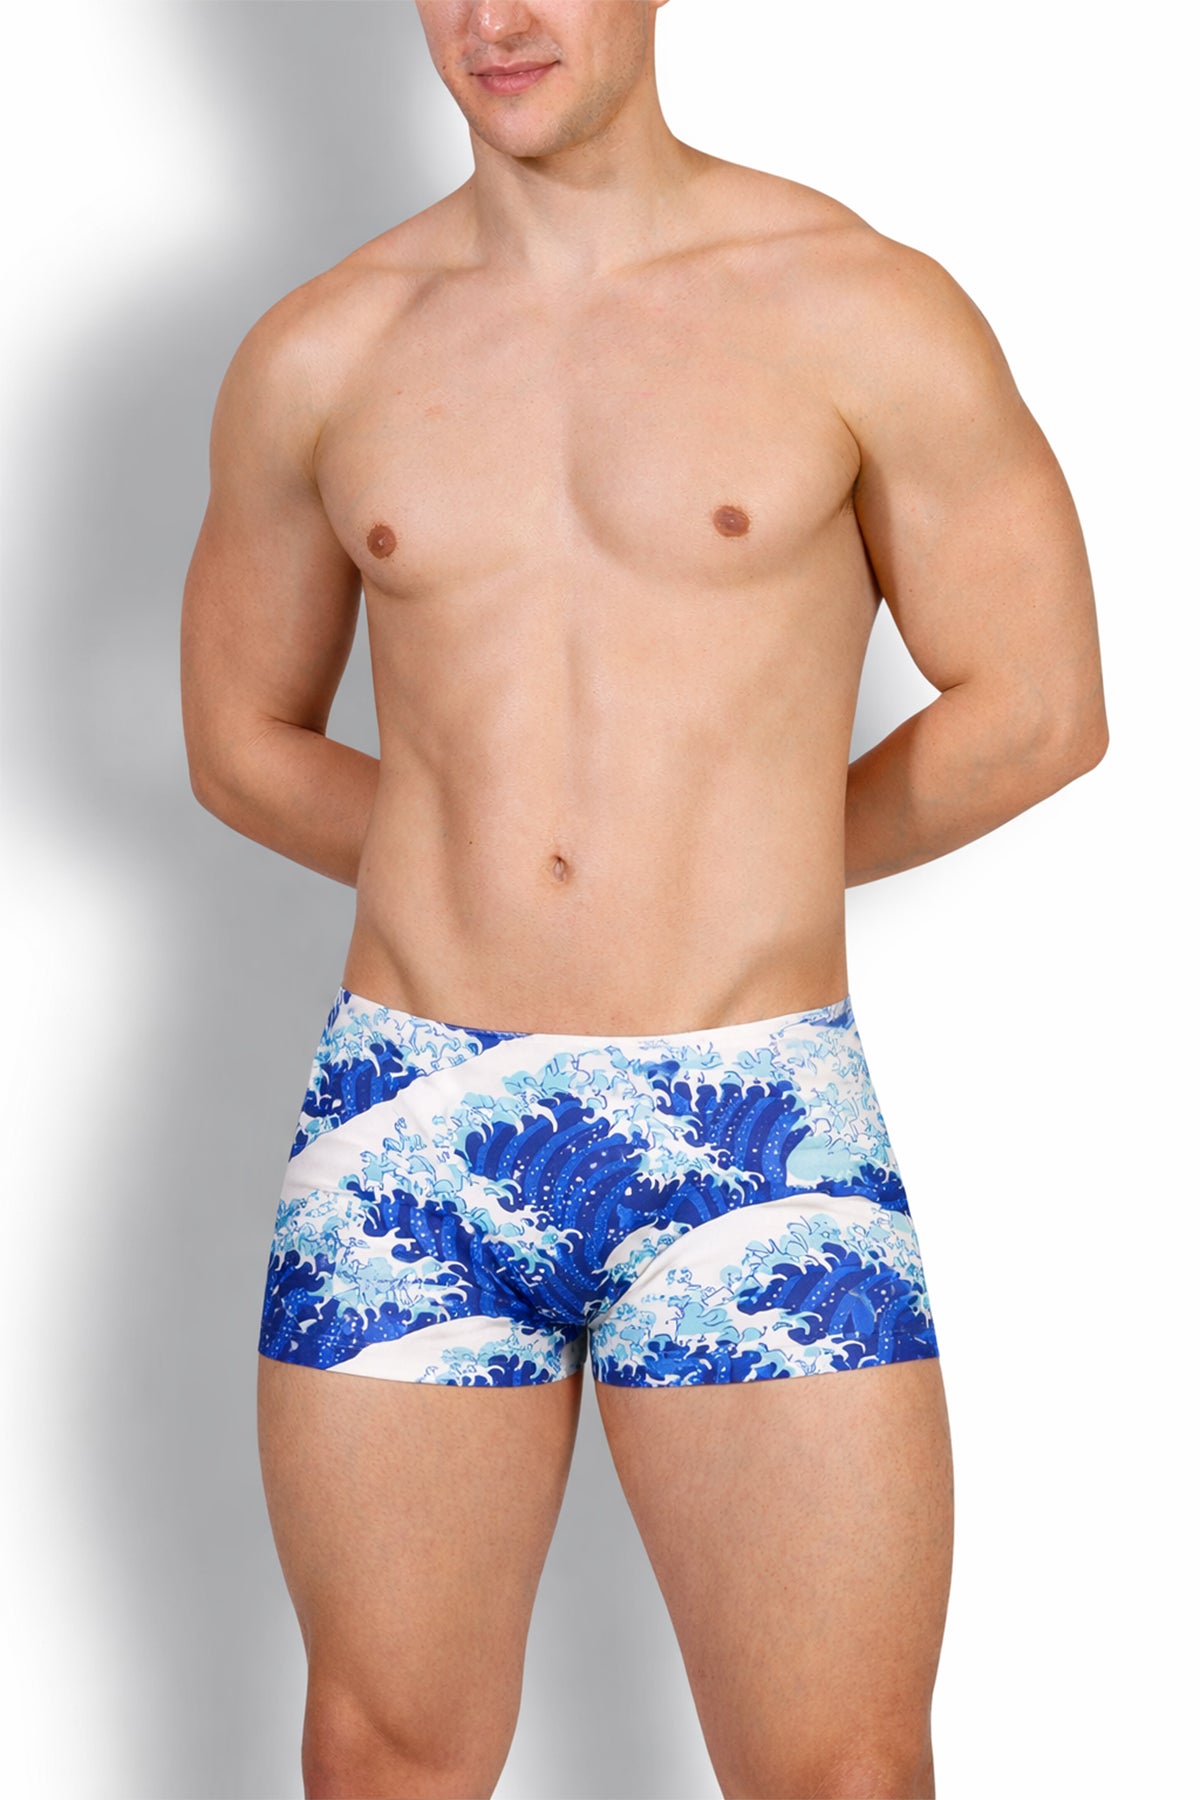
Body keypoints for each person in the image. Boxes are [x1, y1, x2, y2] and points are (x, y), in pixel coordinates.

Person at [180, 2, 1108, 1795]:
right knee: (385, 1756)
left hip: (753, 1118)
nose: (495, 20)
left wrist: (732, 853)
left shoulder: (858, 305)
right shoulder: (324, 347)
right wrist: (468, 848)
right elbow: (239, 738)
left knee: (839, 1771)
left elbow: (1039, 707)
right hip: (414, 1115)